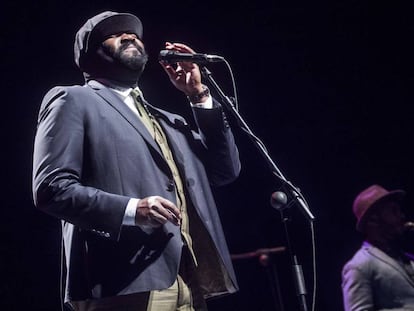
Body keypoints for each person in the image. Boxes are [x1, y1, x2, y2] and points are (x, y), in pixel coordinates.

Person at [32, 11, 241, 311]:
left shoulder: (169, 120)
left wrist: (198, 95)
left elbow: (225, 171)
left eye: (134, 33)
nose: (129, 35)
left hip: (186, 280)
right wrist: (132, 210)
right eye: (115, 33)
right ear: (89, 55)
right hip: (120, 281)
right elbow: (52, 188)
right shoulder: (72, 100)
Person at [342, 184, 414, 311]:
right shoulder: (359, 266)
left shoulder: (406, 257)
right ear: (373, 220)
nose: (402, 216)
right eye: (393, 211)